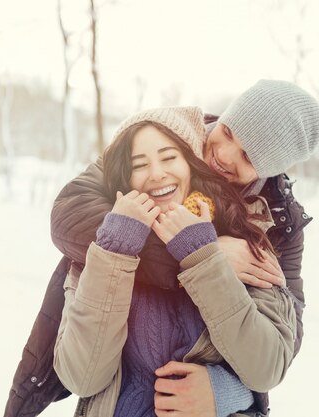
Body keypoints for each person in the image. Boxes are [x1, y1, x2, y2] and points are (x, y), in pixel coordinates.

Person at [3, 80, 319, 417]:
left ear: (271, 170)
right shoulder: (163, 137)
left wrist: (228, 391)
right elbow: (70, 214)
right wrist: (200, 253)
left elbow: (284, 337)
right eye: (228, 132)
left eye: (248, 156)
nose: (225, 155)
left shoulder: (275, 223)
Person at [53, 108, 297, 417]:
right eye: (139, 164)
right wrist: (116, 249)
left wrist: (203, 256)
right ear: (124, 177)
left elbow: (267, 367)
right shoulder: (103, 248)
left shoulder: (244, 241)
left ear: (191, 164)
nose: (156, 173)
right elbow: (82, 377)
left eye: (169, 158)